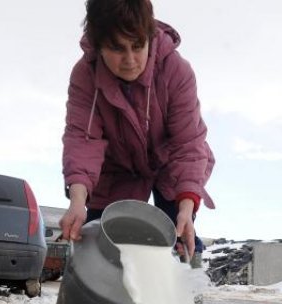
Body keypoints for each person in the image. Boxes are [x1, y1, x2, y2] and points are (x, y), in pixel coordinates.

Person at [59, 0, 215, 263]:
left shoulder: (176, 70)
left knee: (176, 236)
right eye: (117, 48)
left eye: (137, 46)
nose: (130, 60)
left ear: (149, 37)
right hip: (116, 170)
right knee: (103, 244)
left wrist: (186, 208)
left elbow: (187, 145)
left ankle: (187, 287)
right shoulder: (86, 75)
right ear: (98, 45)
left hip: (171, 167)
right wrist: (77, 200)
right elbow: (83, 140)